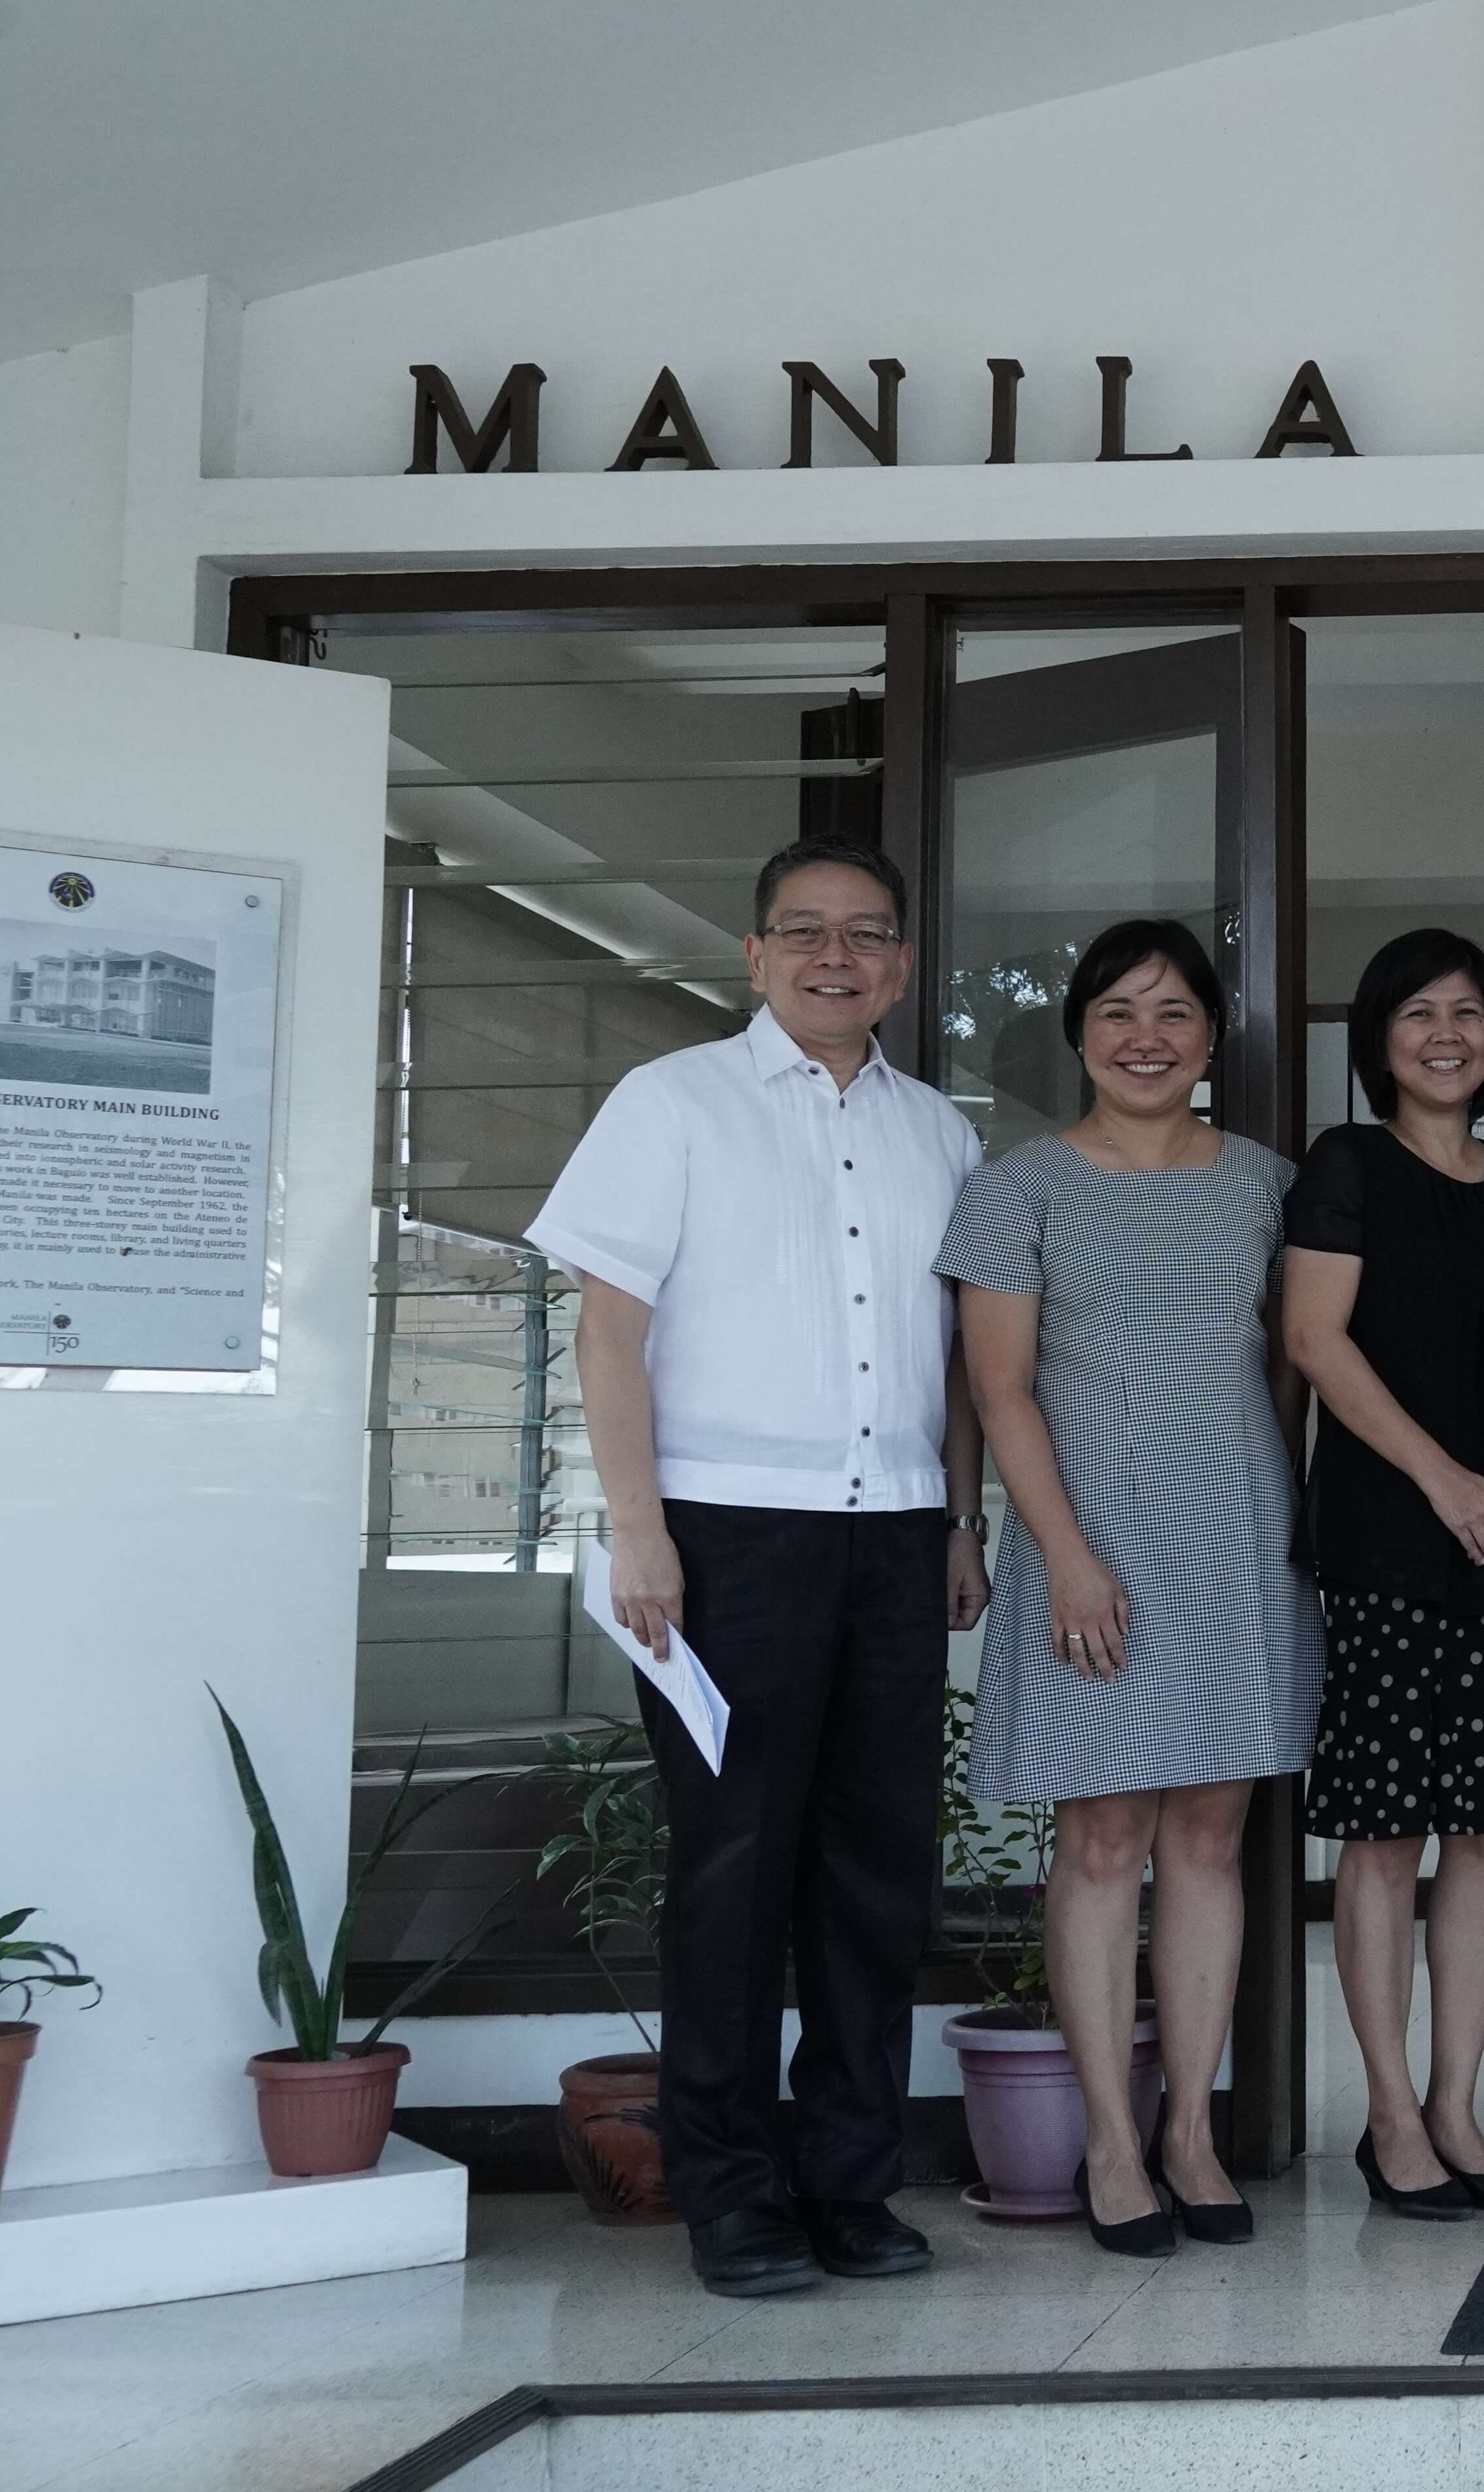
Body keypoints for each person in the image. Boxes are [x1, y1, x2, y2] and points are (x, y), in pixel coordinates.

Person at [532, 834, 989, 2300]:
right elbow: (608, 1329)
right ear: (754, 954)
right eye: (803, 931)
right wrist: (637, 1524)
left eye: (866, 934)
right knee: (733, 1872)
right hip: (724, 1533)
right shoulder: (670, 1102)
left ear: (904, 965)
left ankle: (849, 2177)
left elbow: (964, 1360)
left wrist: (963, 1517)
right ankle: (728, 2187)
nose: (834, 955)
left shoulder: (944, 1132)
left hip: (899, 1531)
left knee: (874, 1871)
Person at [937, 918, 1317, 2258]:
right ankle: (1110, 2139)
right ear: (1081, 1033)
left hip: (1235, 1541)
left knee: (1211, 1835)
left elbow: (1292, 1364)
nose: (1145, 1036)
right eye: (1117, 1011)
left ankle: (1193, 2136)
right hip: (1084, 1539)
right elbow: (996, 1386)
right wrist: (1064, 1551)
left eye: (1172, 1012)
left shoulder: (1272, 1181)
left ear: (1214, 1037)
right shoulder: (1018, 1184)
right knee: (1103, 1838)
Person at [1281, 928, 1484, 2224]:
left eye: (1470, 1010)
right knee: (1385, 1832)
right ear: (1379, 1037)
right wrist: (1447, 1480)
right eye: (1419, 1011)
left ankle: (1459, 2100)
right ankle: (1390, 2113)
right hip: (1390, 1541)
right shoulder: (1347, 1166)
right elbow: (1314, 1337)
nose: (1446, 1031)